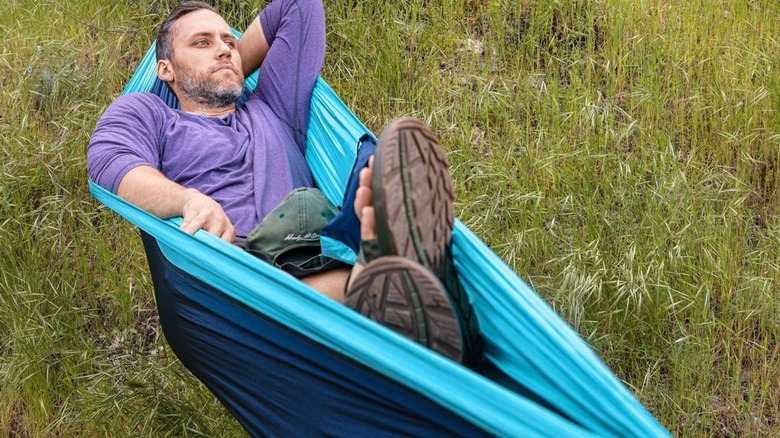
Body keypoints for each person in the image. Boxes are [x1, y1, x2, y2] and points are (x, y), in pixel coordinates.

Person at [87, 0, 479, 365]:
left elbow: (299, 7)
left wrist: (231, 62)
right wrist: (187, 200)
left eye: (229, 41)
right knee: (332, 271)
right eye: (201, 42)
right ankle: (399, 290)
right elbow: (110, 161)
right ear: (166, 69)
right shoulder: (152, 114)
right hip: (238, 271)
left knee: (368, 185)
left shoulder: (273, 105)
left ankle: (393, 283)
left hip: (315, 243)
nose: (223, 48)